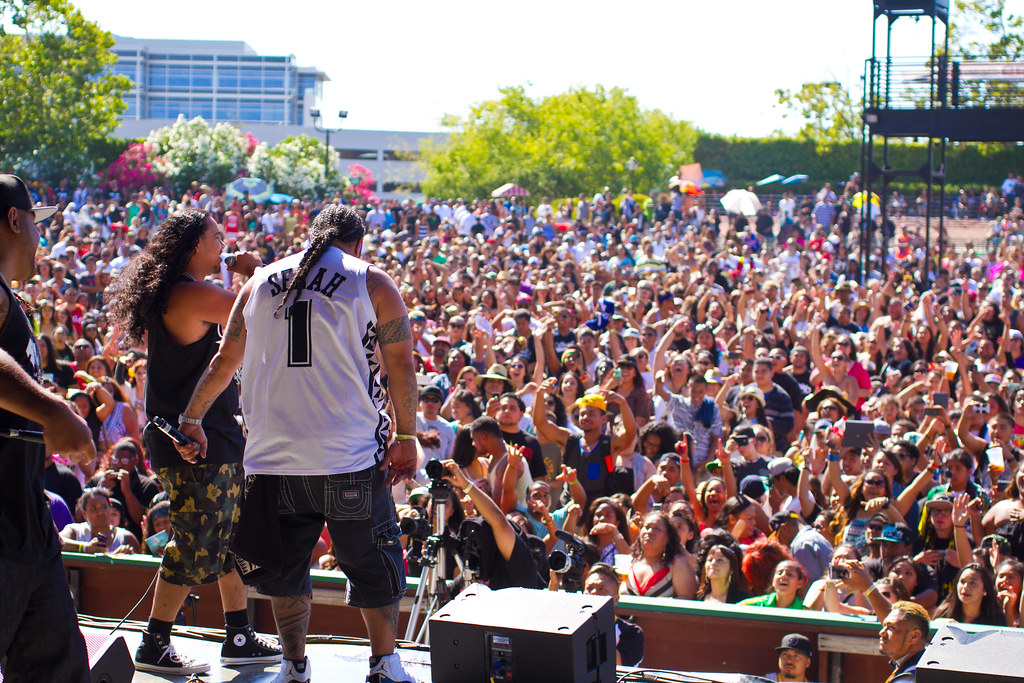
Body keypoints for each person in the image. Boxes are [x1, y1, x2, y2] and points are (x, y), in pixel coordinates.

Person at [174, 204, 420, 683]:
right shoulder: (371, 281)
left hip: (273, 461)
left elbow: (224, 363)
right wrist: (406, 435)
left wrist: (192, 417)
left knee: (286, 570)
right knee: (373, 561)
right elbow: (401, 367)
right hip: (347, 455)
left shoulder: (258, 281)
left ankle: (293, 665)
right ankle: (385, 663)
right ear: (358, 243)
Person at [110, 208, 278, 675]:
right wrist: (255, 270)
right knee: (194, 543)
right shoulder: (190, 293)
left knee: (226, 540)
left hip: (203, 436)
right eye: (216, 238)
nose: (223, 245)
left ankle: (239, 634)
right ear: (193, 247)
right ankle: (155, 642)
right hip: (195, 440)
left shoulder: (180, 291)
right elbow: (264, 309)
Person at [0, 173, 97, 683]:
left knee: (57, 666)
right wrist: (53, 410)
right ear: (14, 219)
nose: (43, 237)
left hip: (26, 518)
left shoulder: (10, 299)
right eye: (38, 223)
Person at [583, 563, 644, 666]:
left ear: (615, 599)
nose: (593, 593)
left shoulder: (632, 632)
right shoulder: (572, 626)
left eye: (601, 589)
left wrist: (598, 624)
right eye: (589, 588)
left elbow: (619, 665)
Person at [878, 601, 931, 682]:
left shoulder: (909, 679)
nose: (882, 633)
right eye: (884, 626)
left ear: (914, 636)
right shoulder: (919, 666)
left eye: (891, 628)